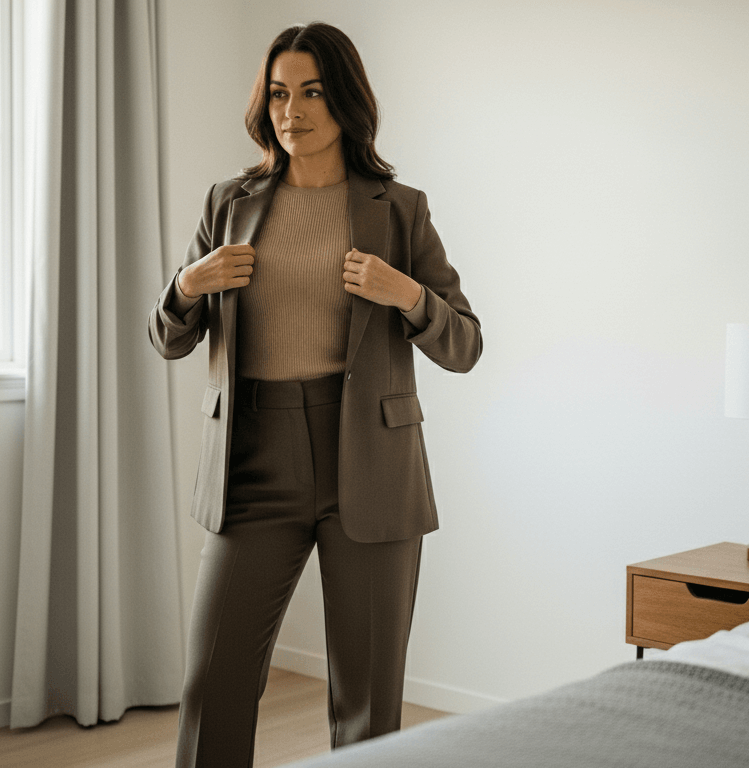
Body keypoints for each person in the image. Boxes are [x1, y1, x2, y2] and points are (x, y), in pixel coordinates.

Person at [148, 21, 481, 768]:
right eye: (277, 94)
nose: (291, 111)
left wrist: (407, 294)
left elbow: (464, 344)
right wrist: (187, 285)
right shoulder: (228, 203)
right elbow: (167, 338)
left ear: (346, 102)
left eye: (312, 92)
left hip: (370, 460)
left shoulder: (400, 209)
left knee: (367, 703)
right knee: (214, 682)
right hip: (252, 460)